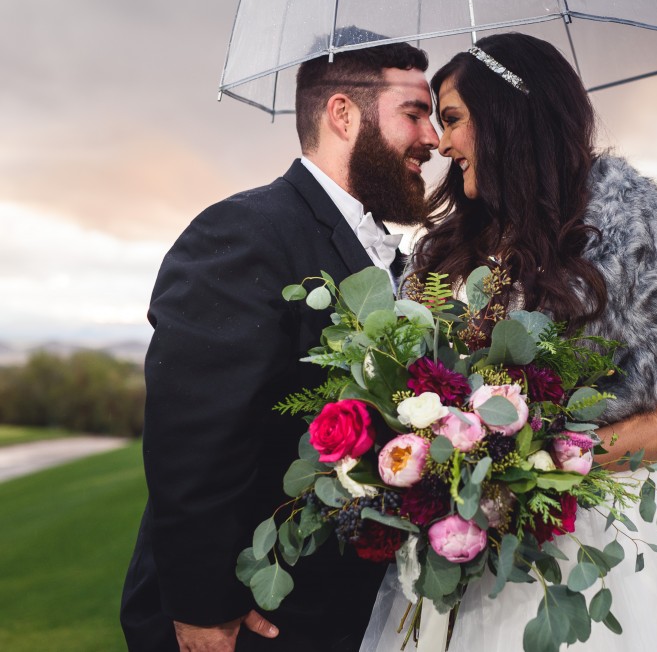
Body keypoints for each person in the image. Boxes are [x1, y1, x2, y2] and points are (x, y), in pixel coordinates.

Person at [360, 33, 657, 650]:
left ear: (507, 116)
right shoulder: (439, 254)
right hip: (467, 539)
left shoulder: (627, 227)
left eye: (453, 119)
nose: (441, 143)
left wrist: (551, 467)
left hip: (604, 533)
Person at [120, 40, 440, 652]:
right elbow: (194, 434)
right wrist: (202, 606)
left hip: (333, 609)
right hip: (247, 617)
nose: (432, 138)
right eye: (413, 113)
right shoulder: (246, 231)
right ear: (343, 114)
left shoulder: (388, 256)